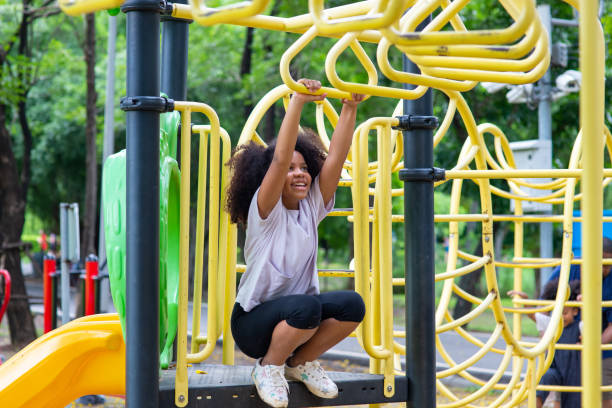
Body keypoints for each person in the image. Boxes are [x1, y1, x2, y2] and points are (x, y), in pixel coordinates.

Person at [225, 79, 366, 408]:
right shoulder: (265, 212)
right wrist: (298, 101)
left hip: (298, 318)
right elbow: (277, 159)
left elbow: (336, 159)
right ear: (273, 176)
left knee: (352, 305)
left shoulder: (311, 207)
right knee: (307, 307)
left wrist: (350, 107)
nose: (299, 174)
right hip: (252, 323)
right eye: (291, 169)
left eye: (304, 168)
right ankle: (267, 368)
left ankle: (299, 363)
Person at [544, 237, 612, 407]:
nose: (605, 269)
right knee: (553, 379)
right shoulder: (570, 269)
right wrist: (546, 337)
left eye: (608, 264)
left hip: (601, 347)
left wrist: (593, 345)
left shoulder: (610, 280)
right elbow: (543, 305)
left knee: (602, 382)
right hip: (569, 344)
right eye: (601, 263)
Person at [509, 279, 582, 408]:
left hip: (573, 369)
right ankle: (535, 405)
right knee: (543, 380)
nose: (562, 316)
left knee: (572, 398)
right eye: (558, 312)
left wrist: (583, 304)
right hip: (554, 366)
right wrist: (525, 301)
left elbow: (589, 324)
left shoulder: (579, 326)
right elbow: (533, 316)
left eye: (565, 313)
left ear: (575, 312)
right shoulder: (552, 324)